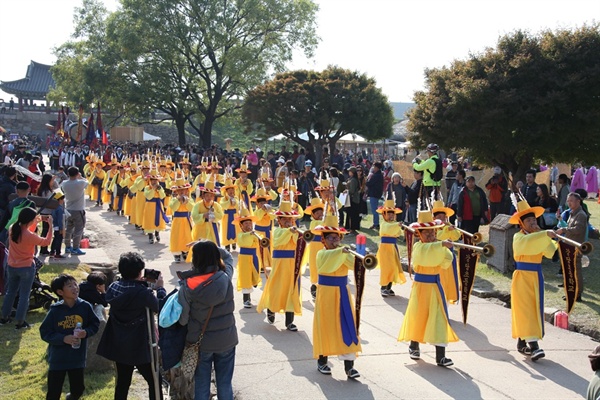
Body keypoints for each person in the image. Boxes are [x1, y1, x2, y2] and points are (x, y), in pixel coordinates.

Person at [96, 252, 166, 399]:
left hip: (120, 344)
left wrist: (140, 282)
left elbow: (127, 291)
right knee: (154, 379)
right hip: (140, 344)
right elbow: (159, 307)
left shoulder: (114, 287)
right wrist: (160, 289)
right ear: (140, 271)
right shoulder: (143, 293)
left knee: (122, 381)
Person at [398, 209, 458, 367]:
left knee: (439, 318)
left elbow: (446, 261)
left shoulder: (437, 247)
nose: (431, 237)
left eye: (433, 234)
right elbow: (425, 255)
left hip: (435, 287)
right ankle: (414, 345)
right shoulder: (418, 247)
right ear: (419, 234)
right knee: (418, 316)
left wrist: (445, 248)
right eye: (427, 235)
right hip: (420, 288)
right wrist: (440, 245)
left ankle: (441, 356)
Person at [179, 241, 237, 400]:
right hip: (226, 339)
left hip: (200, 341)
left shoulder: (187, 285)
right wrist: (210, 246)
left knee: (202, 384)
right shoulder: (225, 276)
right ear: (215, 257)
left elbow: (183, 319)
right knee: (225, 383)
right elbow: (228, 256)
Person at [312, 215, 361, 379]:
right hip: (326, 294)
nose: (335, 240)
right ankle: (322, 361)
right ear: (323, 240)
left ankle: (349, 367)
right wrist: (342, 251)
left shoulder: (342, 253)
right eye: (331, 238)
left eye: (337, 237)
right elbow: (326, 262)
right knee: (325, 326)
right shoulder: (321, 253)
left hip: (342, 293)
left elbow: (354, 265)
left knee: (346, 326)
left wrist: (358, 254)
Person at [509, 196, 557, 361]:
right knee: (527, 310)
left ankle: (522, 342)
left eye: (534, 219)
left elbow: (550, 252)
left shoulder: (537, 236)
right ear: (521, 224)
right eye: (528, 220)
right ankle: (534, 346)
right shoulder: (519, 237)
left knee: (532, 309)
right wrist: (544, 234)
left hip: (536, 276)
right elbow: (529, 243)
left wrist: (550, 238)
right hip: (522, 277)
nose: (532, 223)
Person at [40, 274, 100, 400]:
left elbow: (94, 324)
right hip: (58, 359)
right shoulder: (55, 310)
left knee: (78, 389)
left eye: (75, 284)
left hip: (77, 357)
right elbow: (45, 332)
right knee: (53, 392)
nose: (75, 288)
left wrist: (86, 332)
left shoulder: (85, 306)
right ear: (60, 292)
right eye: (69, 286)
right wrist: (63, 338)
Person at [0, 207, 53, 329]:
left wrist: (38, 219)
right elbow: (46, 242)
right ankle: (20, 321)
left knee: (10, 292)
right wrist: (50, 225)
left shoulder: (13, 228)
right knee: (24, 295)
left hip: (12, 266)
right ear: (30, 220)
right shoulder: (30, 235)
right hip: (26, 268)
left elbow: (28, 225)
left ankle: (4, 317)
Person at [257, 201, 302, 330]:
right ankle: (271, 308)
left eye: (291, 219)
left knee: (291, 290)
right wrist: (290, 231)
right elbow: (279, 240)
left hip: (292, 265)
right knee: (277, 288)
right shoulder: (277, 232)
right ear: (279, 220)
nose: (289, 222)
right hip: (280, 264)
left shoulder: (294, 232)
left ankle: (289, 321)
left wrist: (295, 233)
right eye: (285, 219)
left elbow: (298, 243)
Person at [555, 192, 588, 302]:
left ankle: (578, 294)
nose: (569, 203)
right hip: (569, 246)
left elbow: (578, 230)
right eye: (568, 201)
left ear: (578, 201)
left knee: (576, 271)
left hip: (575, 247)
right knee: (569, 270)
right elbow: (569, 227)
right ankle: (572, 292)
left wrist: (564, 230)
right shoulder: (572, 213)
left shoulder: (581, 215)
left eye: (571, 201)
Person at [232, 208, 261, 308]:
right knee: (246, 278)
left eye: (250, 223)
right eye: (246, 224)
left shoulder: (255, 233)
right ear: (241, 226)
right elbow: (246, 242)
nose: (249, 226)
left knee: (255, 274)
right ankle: (246, 299)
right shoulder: (240, 235)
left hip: (254, 256)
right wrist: (250, 234)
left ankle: (255, 282)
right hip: (244, 258)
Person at [376, 199, 405, 297]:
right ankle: (383, 287)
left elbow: (397, 233)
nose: (391, 215)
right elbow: (387, 229)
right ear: (384, 214)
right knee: (386, 268)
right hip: (385, 248)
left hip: (393, 247)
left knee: (393, 267)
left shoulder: (394, 224)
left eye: (392, 214)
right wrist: (397, 225)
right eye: (388, 214)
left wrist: (399, 226)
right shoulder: (384, 224)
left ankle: (389, 287)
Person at [61, 167, 88, 256]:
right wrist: (80, 177)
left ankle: (68, 246)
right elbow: (87, 181)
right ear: (77, 174)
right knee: (78, 229)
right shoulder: (81, 182)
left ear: (68, 174)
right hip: (78, 209)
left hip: (68, 209)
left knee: (68, 229)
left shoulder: (64, 184)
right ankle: (76, 247)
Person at [366, 162, 384, 229]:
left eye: (374, 166)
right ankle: (375, 223)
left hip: (374, 194)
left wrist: (367, 179)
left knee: (374, 210)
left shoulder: (376, 175)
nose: (373, 168)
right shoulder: (379, 175)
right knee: (375, 209)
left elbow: (369, 183)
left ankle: (376, 224)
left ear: (377, 167)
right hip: (376, 194)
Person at [50, 192, 66, 259]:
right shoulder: (59, 208)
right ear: (59, 200)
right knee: (59, 240)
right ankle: (58, 253)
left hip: (55, 225)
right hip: (59, 227)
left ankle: (52, 252)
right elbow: (60, 219)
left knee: (55, 239)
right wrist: (61, 228)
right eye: (62, 199)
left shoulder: (53, 207)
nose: (63, 201)